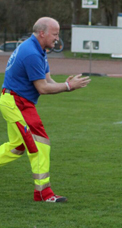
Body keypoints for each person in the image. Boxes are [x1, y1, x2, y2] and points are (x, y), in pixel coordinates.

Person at [0, 17, 91, 202]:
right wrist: (68, 86)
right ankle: (43, 193)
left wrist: (66, 84)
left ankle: (42, 192)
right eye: (55, 34)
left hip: (15, 100)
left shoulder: (38, 50)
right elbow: (42, 88)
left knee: (17, 147)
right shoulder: (32, 53)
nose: (57, 38)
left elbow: (49, 82)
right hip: (17, 102)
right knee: (40, 143)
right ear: (42, 33)